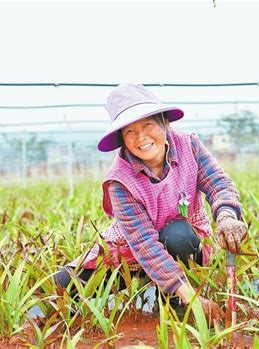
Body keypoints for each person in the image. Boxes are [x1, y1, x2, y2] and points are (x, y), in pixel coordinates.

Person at [55, 83, 247, 323]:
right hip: (131, 252)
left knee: (177, 235)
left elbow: (218, 182)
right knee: (58, 287)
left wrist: (227, 215)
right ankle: (180, 294)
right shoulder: (119, 180)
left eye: (147, 125)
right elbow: (144, 244)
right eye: (130, 132)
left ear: (164, 123)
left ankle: (175, 306)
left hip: (183, 242)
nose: (141, 138)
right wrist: (195, 297)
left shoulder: (189, 145)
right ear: (122, 139)